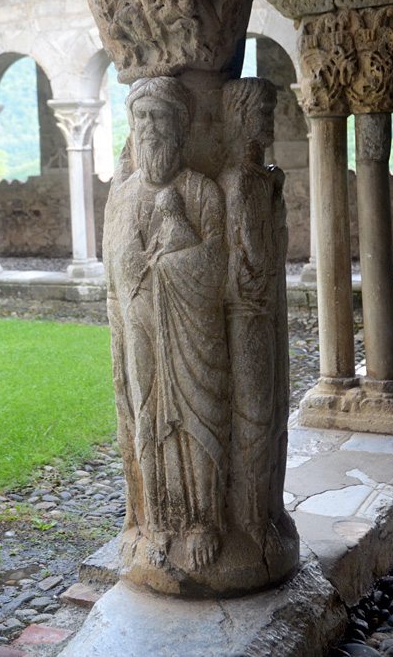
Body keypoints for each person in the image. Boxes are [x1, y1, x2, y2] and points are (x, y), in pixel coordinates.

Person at [104, 76, 229, 571]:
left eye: (159, 117)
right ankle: (157, 518)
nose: (149, 128)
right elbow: (114, 274)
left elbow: (217, 262)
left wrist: (168, 265)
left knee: (197, 420)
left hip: (193, 335)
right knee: (147, 421)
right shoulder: (122, 195)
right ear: (132, 130)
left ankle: (203, 521)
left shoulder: (201, 190)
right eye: (141, 118)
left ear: (181, 129)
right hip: (139, 334)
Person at [217, 76, 289, 553]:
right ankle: (249, 515)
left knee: (273, 407)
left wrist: (276, 196)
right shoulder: (240, 181)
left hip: (264, 310)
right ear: (240, 117)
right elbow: (257, 258)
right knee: (254, 413)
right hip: (246, 314)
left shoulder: (259, 180)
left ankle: (265, 508)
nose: (270, 122)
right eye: (262, 113)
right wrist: (271, 196)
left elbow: (272, 251)